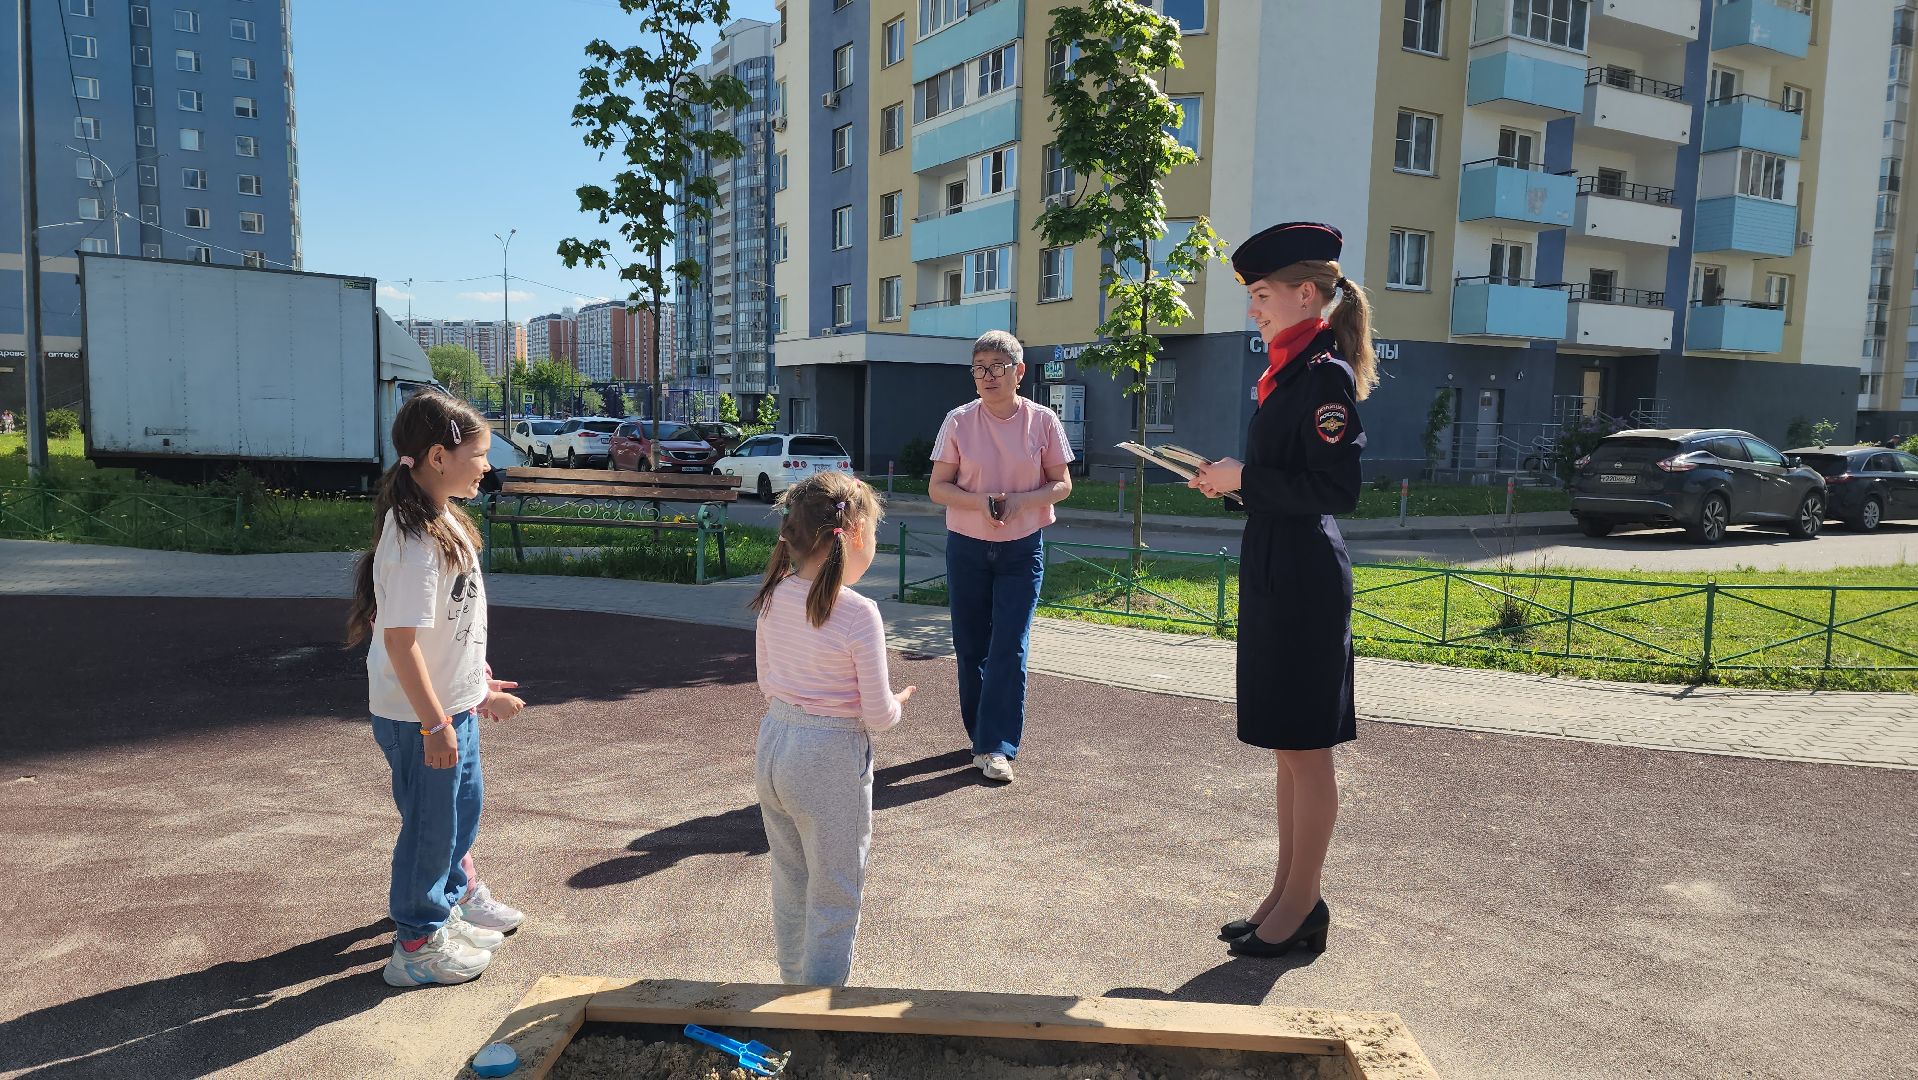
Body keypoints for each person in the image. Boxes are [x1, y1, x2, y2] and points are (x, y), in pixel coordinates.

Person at [1189, 221, 1376, 959]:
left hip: (1304, 576)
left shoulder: (1323, 376)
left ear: (1306, 294)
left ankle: (1302, 905)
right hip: (1278, 562)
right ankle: (1286, 893)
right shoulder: (1289, 372)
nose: (1253, 309)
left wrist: (1249, 479)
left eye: (1262, 295)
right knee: (1285, 748)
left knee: (1306, 750)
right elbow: (1285, 481)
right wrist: (1233, 486)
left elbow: (1338, 489)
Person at [345, 392, 527, 987]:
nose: (487, 466)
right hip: (419, 716)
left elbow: (454, 623)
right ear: (437, 456)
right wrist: (434, 723)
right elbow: (401, 642)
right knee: (431, 829)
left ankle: (443, 910)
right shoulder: (413, 539)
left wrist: (476, 687)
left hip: (448, 707)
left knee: (459, 815)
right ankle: (416, 945)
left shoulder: (442, 515)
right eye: (478, 454)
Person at [749, 471, 915, 986]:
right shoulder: (859, 613)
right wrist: (897, 704)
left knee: (791, 881)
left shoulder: (774, 595)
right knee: (835, 892)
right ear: (856, 533)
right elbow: (877, 715)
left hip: (774, 744)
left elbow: (767, 682)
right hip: (830, 756)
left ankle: (791, 987)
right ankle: (818, 1008)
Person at [927, 330, 1075, 783]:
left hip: (1022, 548)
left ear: (1019, 371)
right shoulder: (958, 421)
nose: (987, 376)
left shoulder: (1042, 420)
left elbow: (1062, 484)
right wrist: (982, 502)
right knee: (971, 645)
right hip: (967, 546)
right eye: (979, 368)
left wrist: (1020, 502)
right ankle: (982, 735)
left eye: (997, 366)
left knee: (1009, 644)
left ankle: (997, 745)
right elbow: (938, 488)